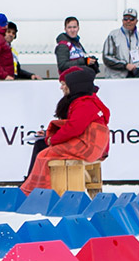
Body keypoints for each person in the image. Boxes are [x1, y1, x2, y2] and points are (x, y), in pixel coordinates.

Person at [22, 66, 111, 194]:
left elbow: (74, 128)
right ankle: (33, 186)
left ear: (74, 85)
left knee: (43, 154)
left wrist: (53, 139)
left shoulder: (83, 103)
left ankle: (35, 191)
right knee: (43, 148)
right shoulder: (87, 100)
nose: (61, 87)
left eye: (64, 84)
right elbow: (77, 126)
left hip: (88, 148)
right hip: (95, 147)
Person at [101, 9, 139, 78]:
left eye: (131, 19)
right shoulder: (113, 35)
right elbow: (107, 57)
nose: (128, 21)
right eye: (126, 19)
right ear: (122, 20)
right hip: (116, 78)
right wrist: (125, 65)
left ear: (136, 21)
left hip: (135, 78)